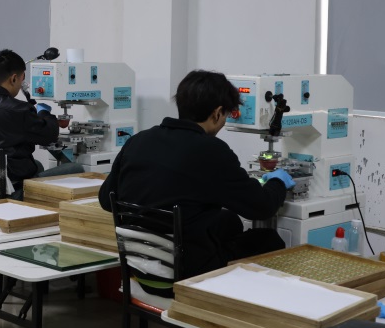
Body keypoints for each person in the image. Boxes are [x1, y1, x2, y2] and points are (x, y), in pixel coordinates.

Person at [99, 69, 295, 278]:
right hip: (188, 271)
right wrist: (278, 182)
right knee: (269, 240)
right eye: (226, 115)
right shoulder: (212, 151)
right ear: (217, 113)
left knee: (230, 221)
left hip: (140, 267)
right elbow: (262, 207)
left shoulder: (138, 141)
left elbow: (105, 200)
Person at [0, 49, 84, 201]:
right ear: (14, 78)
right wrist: (44, 113)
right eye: (22, 80)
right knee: (77, 168)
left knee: (37, 165)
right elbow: (49, 135)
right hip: (13, 192)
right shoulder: (18, 110)